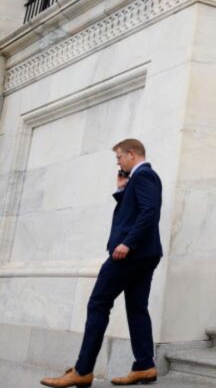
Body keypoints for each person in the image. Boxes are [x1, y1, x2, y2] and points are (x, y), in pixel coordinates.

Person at [42, 139, 162, 387]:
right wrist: (121, 191)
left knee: (98, 303)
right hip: (143, 254)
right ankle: (144, 365)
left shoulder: (144, 176)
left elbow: (150, 212)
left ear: (131, 154)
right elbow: (135, 211)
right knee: (137, 307)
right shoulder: (138, 179)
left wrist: (127, 243)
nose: (117, 162)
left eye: (119, 157)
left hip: (130, 255)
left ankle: (83, 370)